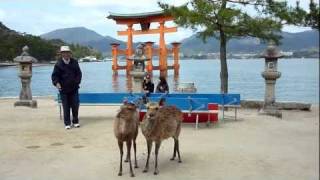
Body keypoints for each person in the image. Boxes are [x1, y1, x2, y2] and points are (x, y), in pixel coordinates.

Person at [52, 46, 82, 130]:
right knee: (66, 106)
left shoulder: (74, 62)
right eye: (64, 52)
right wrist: (57, 83)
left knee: (75, 105)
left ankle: (75, 121)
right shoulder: (58, 64)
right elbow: (54, 76)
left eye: (67, 52)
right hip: (63, 89)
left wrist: (77, 82)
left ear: (70, 53)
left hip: (74, 88)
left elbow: (79, 74)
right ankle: (67, 123)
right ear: (61, 54)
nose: (66, 54)